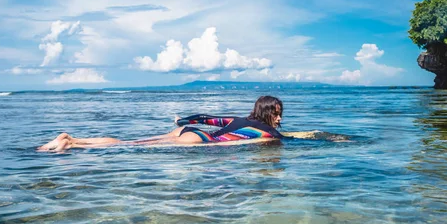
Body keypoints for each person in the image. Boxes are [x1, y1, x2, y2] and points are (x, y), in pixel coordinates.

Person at [38, 95, 284, 152]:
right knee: (130, 145)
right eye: (276, 114)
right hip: (204, 139)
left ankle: (72, 141)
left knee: (132, 142)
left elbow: (206, 118)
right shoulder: (268, 134)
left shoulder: (239, 119)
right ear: (267, 114)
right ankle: (71, 145)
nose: (279, 118)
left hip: (189, 131)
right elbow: (287, 140)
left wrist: (182, 121)